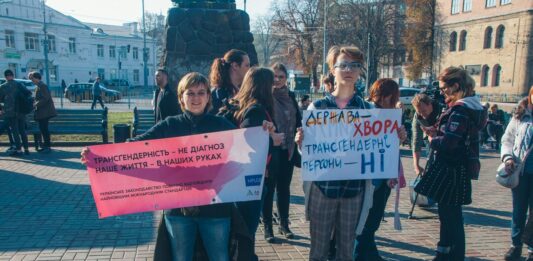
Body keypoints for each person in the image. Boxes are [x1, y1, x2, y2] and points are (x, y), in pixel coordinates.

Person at [84, 72, 237, 261]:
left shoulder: (222, 125)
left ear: (208, 97)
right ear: (181, 97)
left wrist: (267, 133)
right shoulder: (169, 125)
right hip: (178, 210)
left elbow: (249, 146)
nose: (196, 98)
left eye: (201, 92)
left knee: (220, 258)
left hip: (215, 210)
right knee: (181, 258)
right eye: (190, 93)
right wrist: (99, 156)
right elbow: (136, 146)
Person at [295, 45, 375, 261]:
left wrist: (396, 136)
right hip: (324, 187)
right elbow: (308, 153)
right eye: (343, 65)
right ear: (333, 70)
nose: (349, 70)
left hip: (354, 188)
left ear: (360, 71)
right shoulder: (318, 108)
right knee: (318, 250)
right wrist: (301, 143)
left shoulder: (368, 110)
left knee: (347, 249)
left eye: (355, 65)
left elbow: (378, 146)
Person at [415, 66, 487, 261]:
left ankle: (454, 256)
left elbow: (449, 143)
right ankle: (444, 252)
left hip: (451, 167)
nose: (442, 92)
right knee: (448, 215)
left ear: (455, 86)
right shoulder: (471, 106)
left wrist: (433, 140)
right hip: (458, 167)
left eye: (444, 88)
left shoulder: (460, 109)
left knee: (451, 217)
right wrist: (437, 133)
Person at [220, 67, 283, 260]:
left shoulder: (235, 105)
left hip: (234, 176)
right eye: (271, 83)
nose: (274, 86)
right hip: (251, 179)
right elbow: (248, 141)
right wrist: (273, 140)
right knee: (246, 229)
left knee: (238, 228)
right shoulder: (255, 109)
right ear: (264, 86)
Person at [353, 78, 407, 261]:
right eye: (391, 97)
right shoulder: (366, 111)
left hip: (384, 174)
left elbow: (392, 144)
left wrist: (401, 135)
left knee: (374, 218)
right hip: (369, 176)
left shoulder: (391, 115)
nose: (391, 101)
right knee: (366, 220)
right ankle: (360, 254)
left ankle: (368, 252)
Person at [261, 63, 302, 243]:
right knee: (269, 190)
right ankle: (268, 227)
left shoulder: (291, 96)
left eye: (281, 77)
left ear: (287, 79)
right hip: (272, 150)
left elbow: (299, 120)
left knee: (284, 189)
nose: (277, 80)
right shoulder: (265, 98)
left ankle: (284, 224)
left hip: (288, 150)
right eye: (274, 77)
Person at [500, 86, 533, 261]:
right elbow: (507, 139)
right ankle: (516, 245)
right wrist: (507, 158)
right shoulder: (520, 115)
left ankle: (532, 249)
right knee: (518, 211)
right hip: (520, 171)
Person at [411, 93, 445, 176]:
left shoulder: (443, 110)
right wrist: (416, 165)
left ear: (430, 104)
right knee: (431, 165)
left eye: (424, 111)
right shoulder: (417, 116)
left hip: (445, 141)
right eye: (419, 112)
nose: (422, 115)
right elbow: (416, 140)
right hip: (429, 140)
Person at [209, 49, 250, 114]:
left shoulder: (246, 91)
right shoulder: (217, 95)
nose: (249, 69)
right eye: (247, 65)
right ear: (235, 66)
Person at [0, 69, 31, 156]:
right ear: (13, 76)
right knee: (22, 131)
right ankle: (26, 149)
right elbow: (28, 94)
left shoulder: (3, 87)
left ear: (5, 77)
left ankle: (18, 150)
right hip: (21, 111)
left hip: (11, 112)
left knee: (15, 131)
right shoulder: (19, 84)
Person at [29, 72, 57, 153]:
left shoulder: (42, 86)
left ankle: (47, 146)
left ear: (37, 78)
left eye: (32, 78)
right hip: (43, 112)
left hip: (45, 112)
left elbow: (45, 98)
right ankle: (46, 146)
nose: (32, 81)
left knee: (44, 129)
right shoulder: (39, 86)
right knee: (43, 128)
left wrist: (36, 104)